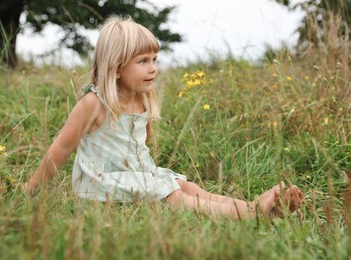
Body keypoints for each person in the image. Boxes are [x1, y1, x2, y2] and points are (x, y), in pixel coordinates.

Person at [23, 15, 303, 220]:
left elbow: (141, 145)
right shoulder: (94, 103)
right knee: (174, 196)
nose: (153, 68)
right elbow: (61, 148)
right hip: (100, 182)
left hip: (138, 175)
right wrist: (33, 188)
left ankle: (253, 206)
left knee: (186, 185)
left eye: (155, 59)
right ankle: (250, 215)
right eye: (143, 61)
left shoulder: (141, 99)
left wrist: (153, 174)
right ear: (116, 68)